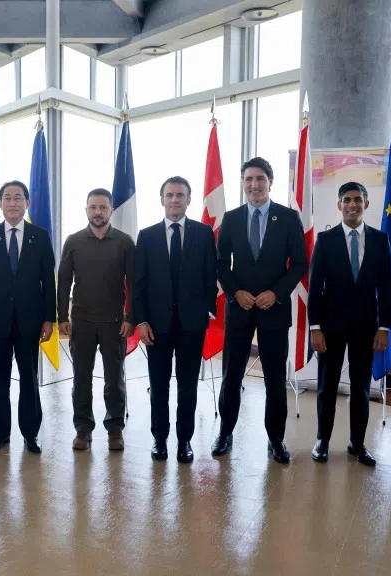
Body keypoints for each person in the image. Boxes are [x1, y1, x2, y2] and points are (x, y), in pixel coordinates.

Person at [214, 157, 307, 464]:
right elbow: (220, 264)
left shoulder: (289, 218)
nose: (254, 185)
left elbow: (300, 264)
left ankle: (276, 439)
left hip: (274, 310)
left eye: (260, 179)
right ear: (243, 183)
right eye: (249, 179)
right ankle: (225, 433)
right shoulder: (231, 218)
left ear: (270, 182)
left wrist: (276, 293)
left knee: (275, 379)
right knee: (231, 375)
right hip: (239, 309)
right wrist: (235, 292)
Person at [308, 182, 391, 466]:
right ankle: (322, 440)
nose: (352, 204)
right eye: (346, 200)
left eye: (358, 199)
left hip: (366, 328)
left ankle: (357, 443)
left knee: (360, 389)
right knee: (327, 387)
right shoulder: (325, 239)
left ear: (366, 204)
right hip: (330, 328)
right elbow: (315, 288)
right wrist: (315, 327)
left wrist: (384, 328)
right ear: (339, 205)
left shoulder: (380, 240)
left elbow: (386, 287)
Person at [134, 176, 217, 463]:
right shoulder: (147, 236)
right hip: (156, 325)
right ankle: (160, 439)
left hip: (192, 325)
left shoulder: (203, 233)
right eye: (169, 195)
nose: (174, 200)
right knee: (158, 385)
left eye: (180, 195)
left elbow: (210, 275)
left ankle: (185, 441)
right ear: (162, 200)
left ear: (188, 199)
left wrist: (206, 311)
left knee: (187, 385)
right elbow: (138, 283)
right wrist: (141, 321)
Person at [0, 180, 55, 454]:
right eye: (7, 198)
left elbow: (48, 281)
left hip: (30, 321)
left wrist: (49, 318)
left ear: (27, 203)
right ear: (0, 204)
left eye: (18, 197)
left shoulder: (40, 236)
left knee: (29, 379)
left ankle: (31, 434)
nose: (12, 203)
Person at [58, 188, 135, 452]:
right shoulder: (74, 241)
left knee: (115, 380)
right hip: (82, 322)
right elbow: (64, 281)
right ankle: (83, 429)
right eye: (93, 207)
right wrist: (62, 316)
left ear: (111, 210)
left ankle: (115, 429)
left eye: (103, 207)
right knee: (81, 379)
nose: (98, 212)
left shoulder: (124, 242)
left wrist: (131, 317)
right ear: (86, 210)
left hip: (115, 323)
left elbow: (134, 283)